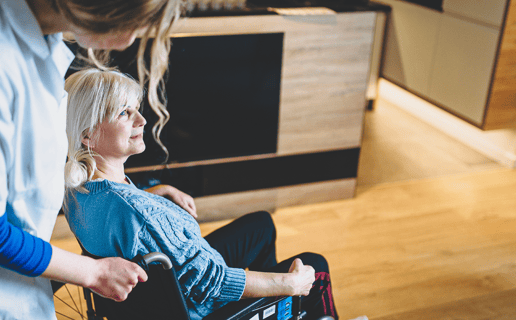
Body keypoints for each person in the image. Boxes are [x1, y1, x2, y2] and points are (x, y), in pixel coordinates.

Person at [0, 0, 180, 318]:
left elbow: (22, 176)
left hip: (19, 285)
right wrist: (93, 272)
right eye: (126, 23)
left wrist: (143, 194)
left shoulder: (40, 36)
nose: (128, 41)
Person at [63, 68, 337, 320]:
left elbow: (123, 215)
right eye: (124, 113)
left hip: (158, 300)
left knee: (261, 225)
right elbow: (212, 284)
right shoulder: (139, 213)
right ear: (88, 134)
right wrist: (288, 285)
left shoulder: (79, 188)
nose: (142, 120)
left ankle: (272, 311)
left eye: (136, 109)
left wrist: (156, 193)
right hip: (201, 308)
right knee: (316, 265)